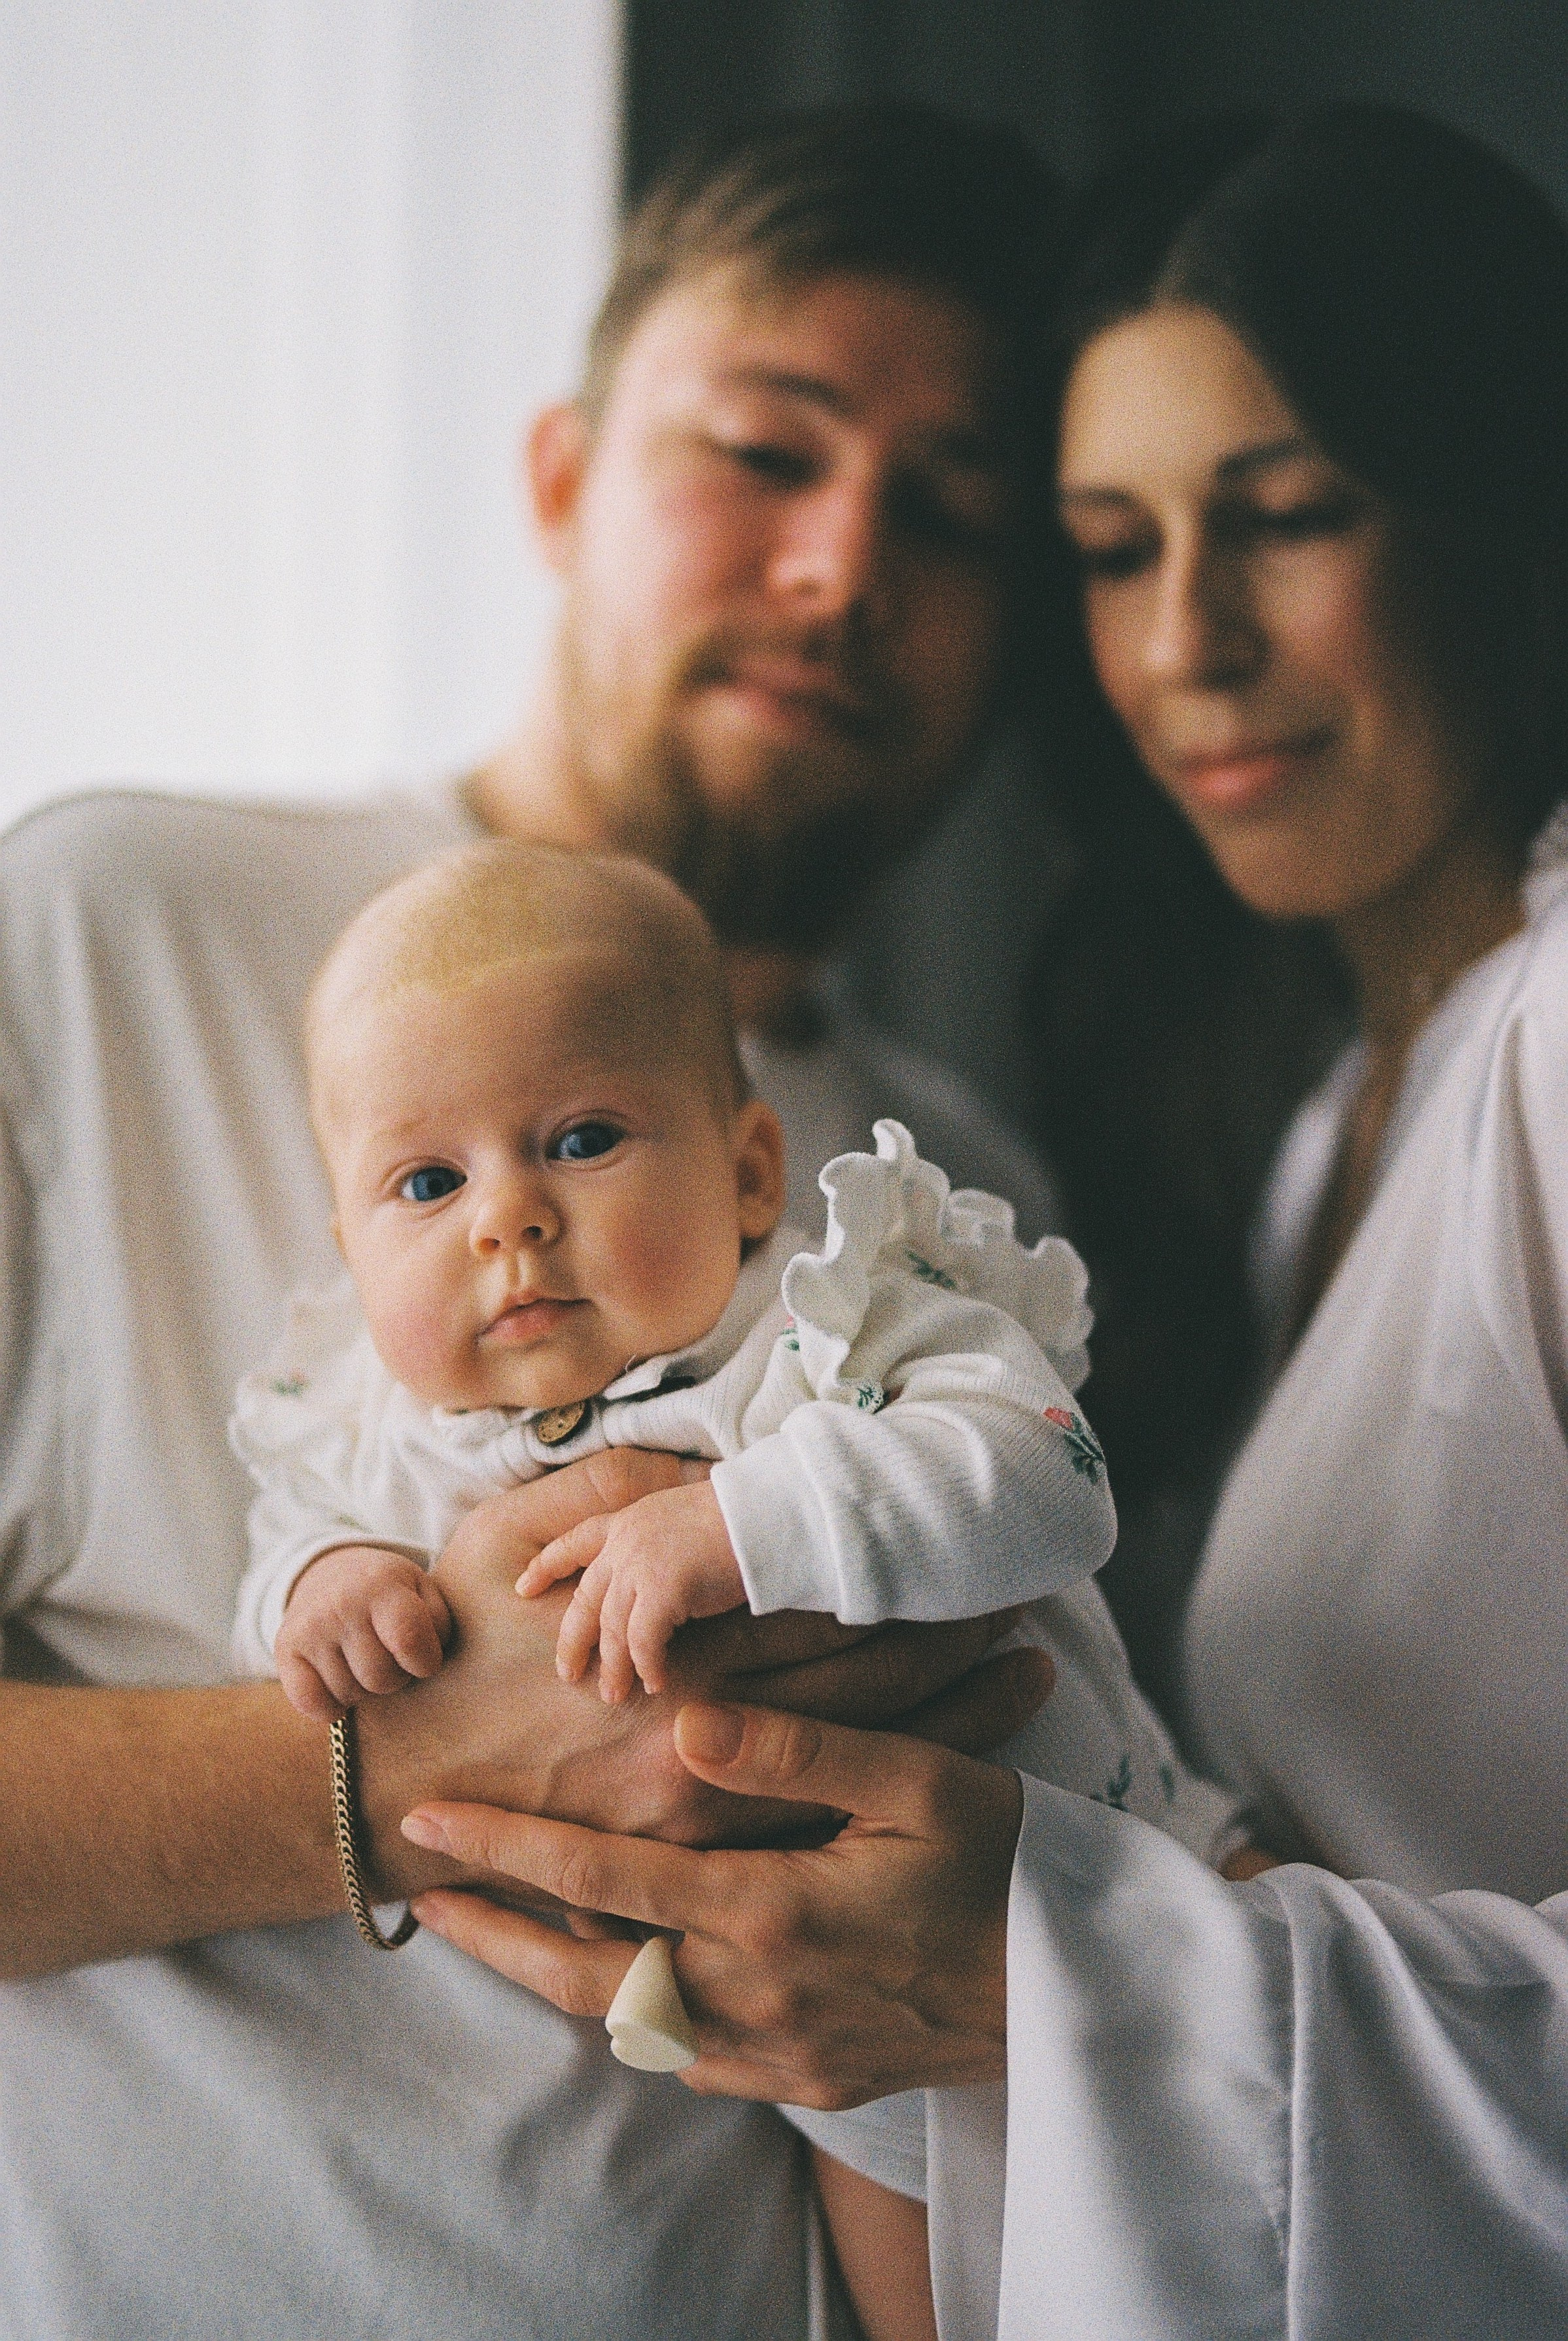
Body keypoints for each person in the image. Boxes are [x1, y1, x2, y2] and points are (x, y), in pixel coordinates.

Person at [403, 108, 1568, 2339]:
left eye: (1282, 514)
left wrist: (1051, 1962)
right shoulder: (1324, 1111)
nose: (1179, 647)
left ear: (1502, 503)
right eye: (1107, 549)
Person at [0, 107, 1068, 2341]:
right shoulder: (101, 933)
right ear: (565, 477)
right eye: (763, 449)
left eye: (951, 511)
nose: (843, 561)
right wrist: (407, 1756)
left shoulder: (963, 1192)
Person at [231, 836, 1238, 2339]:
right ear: (350, 1250)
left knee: (1175, 2269)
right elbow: (282, 1553)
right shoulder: (384, 1432)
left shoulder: (825, 1337)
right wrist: (325, 1585)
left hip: (1119, 1909)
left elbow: (1048, 1482)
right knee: (908, 2280)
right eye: (426, 1181)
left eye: (578, 1139)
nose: (505, 1219)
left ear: (747, 1166)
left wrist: (747, 1519)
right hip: (817, 2047)